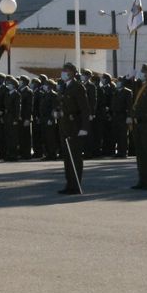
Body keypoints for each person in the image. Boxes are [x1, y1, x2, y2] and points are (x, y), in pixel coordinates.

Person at [56, 63, 92, 195]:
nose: (63, 72)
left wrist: (84, 127)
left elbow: (84, 109)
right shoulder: (64, 86)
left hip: (75, 126)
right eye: (63, 70)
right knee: (67, 157)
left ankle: (76, 185)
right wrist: (58, 112)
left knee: (75, 157)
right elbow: (61, 104)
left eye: (65, 70)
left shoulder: (78, 87)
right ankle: (69, 184)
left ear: (72, 72)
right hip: (64, 126)